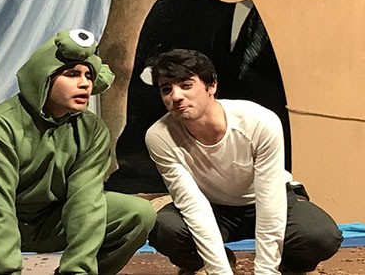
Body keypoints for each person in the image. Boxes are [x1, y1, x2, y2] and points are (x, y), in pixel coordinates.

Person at [0, 29, 156, 275]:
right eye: (72, 74)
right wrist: (6, 270)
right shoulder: (0, 123)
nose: (84, 83)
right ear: (45, 77)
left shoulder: (91, 128)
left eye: (88, 76)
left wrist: (78, 270)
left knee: (138, 213)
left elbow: (85, 200)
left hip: (53, 218)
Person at [144, 49, 342, 275]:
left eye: (186, 85)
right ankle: (202, 264)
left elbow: (270, 198)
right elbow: (193, 205)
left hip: (265, 198)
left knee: (320, 235)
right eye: (166, 89)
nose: (176, 96)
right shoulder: (159, 136)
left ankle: (289, 265)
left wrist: (266, 270)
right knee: (165, 228)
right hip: (214, 206)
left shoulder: (259, 122)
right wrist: (219, 270)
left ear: (211, 86)